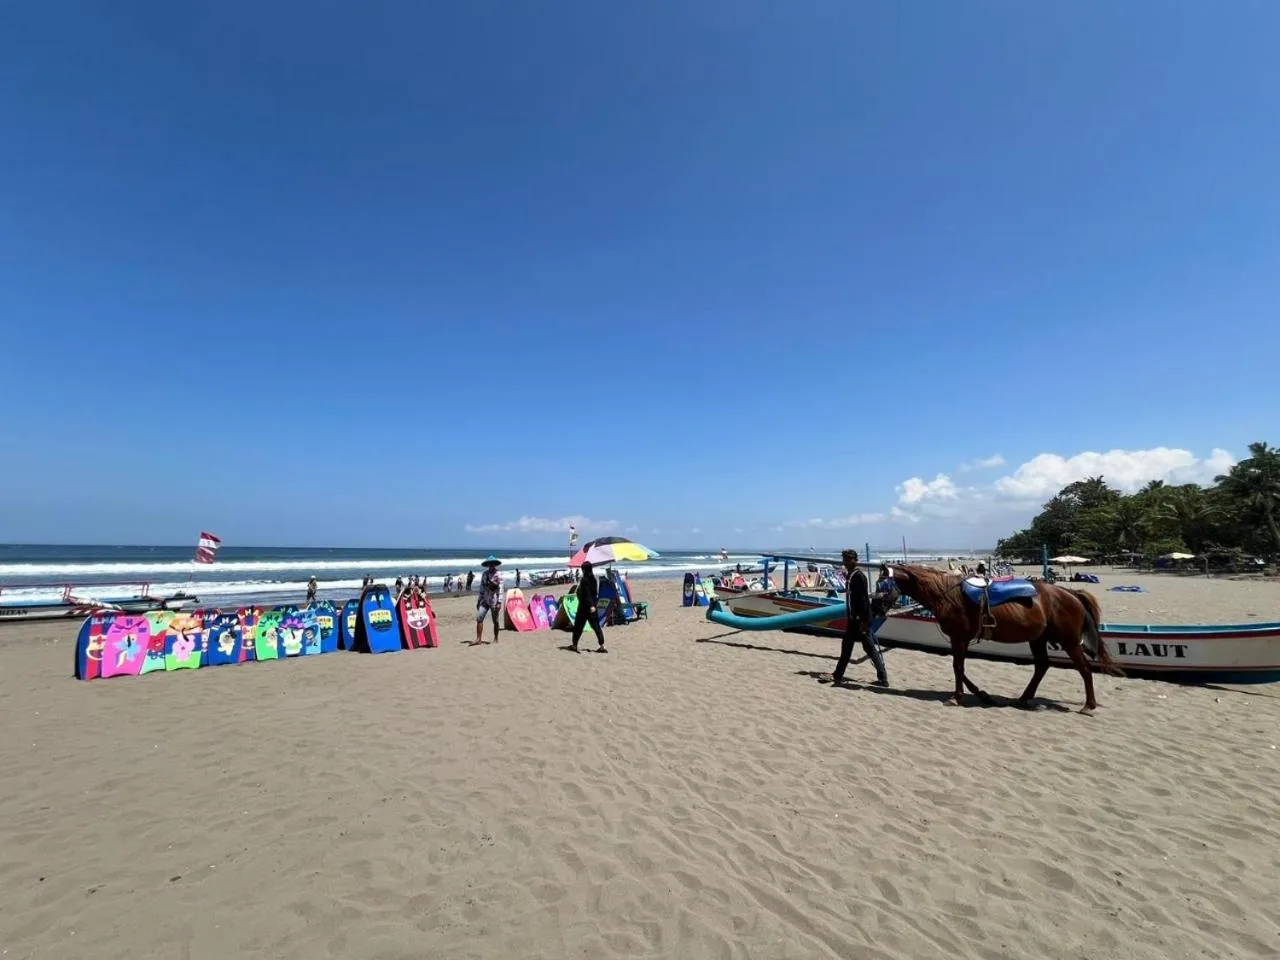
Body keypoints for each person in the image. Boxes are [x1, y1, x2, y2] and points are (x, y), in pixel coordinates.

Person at [829, 548, 889, 687]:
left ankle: (883, 678)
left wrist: (863, 621)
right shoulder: (851, 575)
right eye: (845, 559)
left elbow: (863, 600)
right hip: (853, 619)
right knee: (847, 647)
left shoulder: (859, 576)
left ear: (855, 560)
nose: (846, 562)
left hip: (860, 620)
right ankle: (838, 675)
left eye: (849, 559)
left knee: (869, 649)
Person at [569, 560, 607, 653]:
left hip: (584, 606)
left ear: (585, 570)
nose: (582, 571)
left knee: (578, 626)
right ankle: (602, 646)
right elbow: (594, 593)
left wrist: (590, 605)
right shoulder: (594, 579)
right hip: (593, 605)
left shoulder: (584, 580)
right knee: (596, 626)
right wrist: (593, 605)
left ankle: (574, 645)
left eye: (583, 569)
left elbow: (586, 594)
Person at [475, 555, 503, 644]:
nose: (491, 566)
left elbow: (501, 589)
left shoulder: (499, 575)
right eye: (489, 564)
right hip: (485, 600)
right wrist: (479, 600)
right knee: (479, 618)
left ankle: (496, 638)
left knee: (495, 621)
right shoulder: (485, 574)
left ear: (495, 565)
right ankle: (478, 639)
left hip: (494, 601)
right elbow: (481, 588)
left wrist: (499, 602)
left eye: (492, 564)